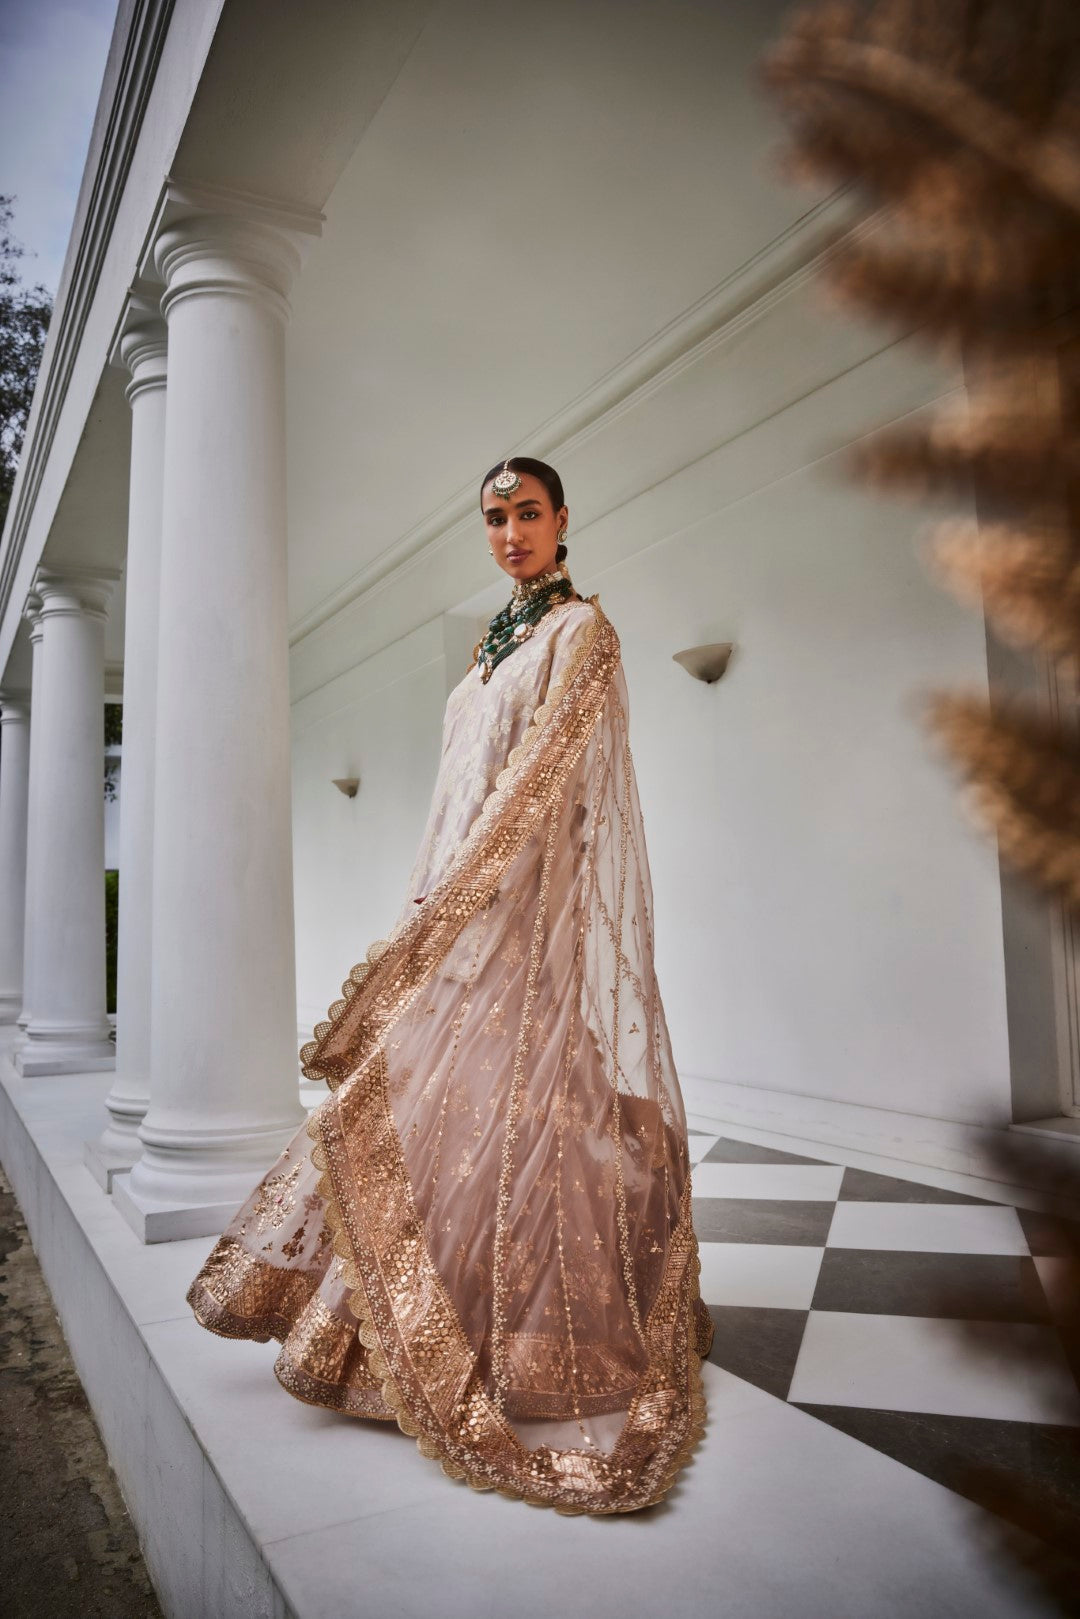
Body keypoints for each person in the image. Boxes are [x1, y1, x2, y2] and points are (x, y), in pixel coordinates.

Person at [187, 455, 713, 1514]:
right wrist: (425, 917)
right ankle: (417, 1323)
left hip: (525, 917)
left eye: (529, 512)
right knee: (447, 1104)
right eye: (495, 517)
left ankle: (527, 1339)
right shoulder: (487, 649)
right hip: (456, 919)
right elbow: (453, 801)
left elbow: (547, 781)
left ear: (563, 518)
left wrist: (471, 900)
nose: (511, 531)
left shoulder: (579, 632)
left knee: (519, 1107)